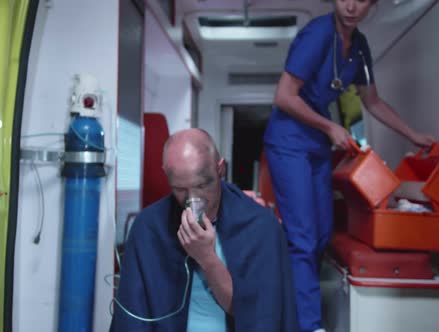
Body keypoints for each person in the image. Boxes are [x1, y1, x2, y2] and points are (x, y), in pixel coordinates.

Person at [262, 1, 436, 332]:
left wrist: (412, 134)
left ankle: (297, 306)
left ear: (373, 4)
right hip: (288, 141)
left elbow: (372, 101)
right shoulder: (317, 35)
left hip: (314, 144)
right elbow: (284, 96)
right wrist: (330, 128)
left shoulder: (359, 47)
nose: (352, 5)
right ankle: (308, 324)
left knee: (323, 233)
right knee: (302, 237)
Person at [110, 129, 299, 332]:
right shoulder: (149, 227)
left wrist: (207, 258)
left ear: (220, 169)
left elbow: (256, 315)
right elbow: (133, 318)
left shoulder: (259, 226)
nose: (193, 200)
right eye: (180, 189)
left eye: (202, 185)